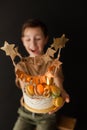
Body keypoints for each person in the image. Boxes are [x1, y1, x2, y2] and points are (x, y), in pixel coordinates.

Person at [13, 18, 70, 130]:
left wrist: (62, 93)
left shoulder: (54, 64)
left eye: (38, 38)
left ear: (45, 39)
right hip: (25, 113)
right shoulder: (20, 66)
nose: (33, 43)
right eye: (28, 39)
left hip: (47, 115)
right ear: (23, 41)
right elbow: (26, 90)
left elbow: (58, 83)